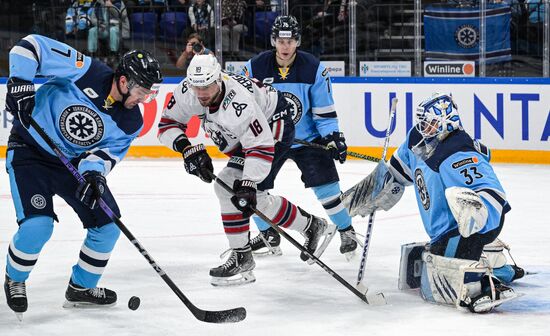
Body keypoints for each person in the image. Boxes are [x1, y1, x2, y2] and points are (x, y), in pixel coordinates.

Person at [3, 34, 162, 318]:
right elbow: (29, 46)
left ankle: (81, 288)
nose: (144, 99)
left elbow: (106, 154)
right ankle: (15, 278)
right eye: (142, 92)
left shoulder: (131, 121)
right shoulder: (86, 70)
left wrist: (94, 176)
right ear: (124, 82)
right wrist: (20, 83)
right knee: (38, 226)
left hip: (71, 164)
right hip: (29, 151)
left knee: (108, 225)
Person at [157, 54, 336, 286]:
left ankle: (244, 255)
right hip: (242, 136)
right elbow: (168, 124)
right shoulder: (186, 91)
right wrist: (188, 149)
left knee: (238, 189)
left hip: (273, 124)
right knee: (236, 192)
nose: (201, 93)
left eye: (207, 86)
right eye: (196, 86)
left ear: (219, 80)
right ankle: (311, 226)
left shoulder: (238, 103)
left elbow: (259, 145)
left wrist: (250, 182)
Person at [361, 93, 524, 313]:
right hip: (446, 230)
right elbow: (397, 174)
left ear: (448, 122)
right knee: (435, 258)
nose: (424, 128)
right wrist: (370, 192)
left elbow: (491, 192)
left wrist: (477, 219)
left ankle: (488, 285)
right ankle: (501, 267)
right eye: (423, 123)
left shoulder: (458, 152)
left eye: (431, 123)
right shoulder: (417, 138)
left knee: (441, 270)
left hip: (468, 228)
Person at [242, 15, 359, 260]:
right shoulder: (255, 67)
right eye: (281, 41)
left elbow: (324, 113)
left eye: (291, 40)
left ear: (298, 41)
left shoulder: (314, 68)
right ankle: (268, 235)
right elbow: (245, 106)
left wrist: (332, 137)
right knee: (250, 186)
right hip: (269, 139)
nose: (285, 46)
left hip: (308, 139)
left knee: (328, 189)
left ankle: (347, 231)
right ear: (273, 40)